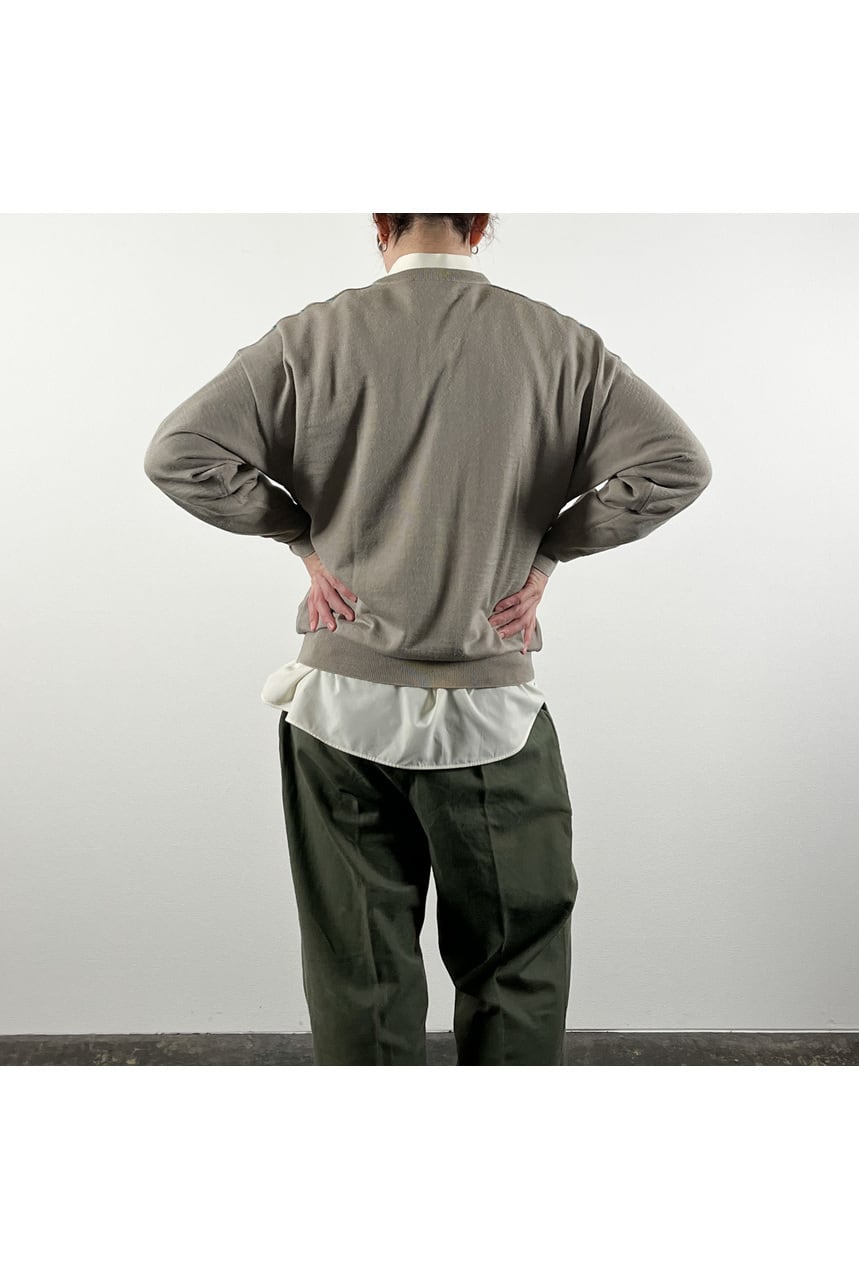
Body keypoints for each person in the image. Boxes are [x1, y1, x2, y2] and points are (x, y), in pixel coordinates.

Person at [143, 213, 714, 1065]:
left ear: (381, 224)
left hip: (339, 708)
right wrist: (550, 550)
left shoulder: (312, 338)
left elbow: (180, 454)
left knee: (359, 976)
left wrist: (302, 537)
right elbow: (677, 465)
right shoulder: (559, 345)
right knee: (514, 968)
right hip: (488, 713)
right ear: (481, 223)